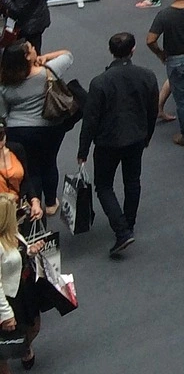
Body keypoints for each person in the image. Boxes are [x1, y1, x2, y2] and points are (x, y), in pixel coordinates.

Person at [74, 31, 158, 258]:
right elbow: (152, 110)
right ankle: (128, 223)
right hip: (136, 137)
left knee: (103, 186)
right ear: (133, 50)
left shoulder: (100, 82)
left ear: (111, 51)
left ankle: (121, 230)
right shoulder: (147, 76)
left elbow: (91, 119)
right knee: (132, 181)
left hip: (108, 142)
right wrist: (147, 135)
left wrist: (83, 150)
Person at [0, 39, 74, 211]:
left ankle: (35, 203)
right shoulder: (47, 71)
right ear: (27, 56)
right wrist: (46, 57)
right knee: (49, 162)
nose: (34, 48)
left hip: (19, 130)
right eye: (31, 48)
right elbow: (67, 55)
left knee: (31, 167)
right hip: (50, 127)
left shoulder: (5, 82)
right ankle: (51, 203)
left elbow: (3, 113)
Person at [0, 192, 42, 374]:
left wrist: (30, 250)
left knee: (34, 325)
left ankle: (24, 347)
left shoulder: (13, 233)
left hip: (23, 288)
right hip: (7, 296)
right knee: (4, 338)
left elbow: (19, 253)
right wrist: (5, 314)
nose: (20, 212)